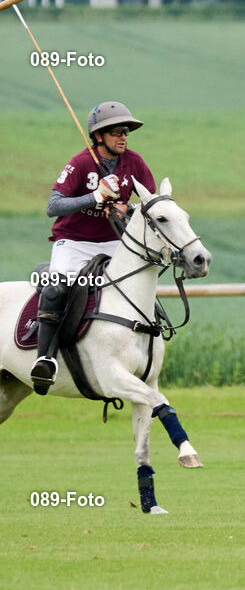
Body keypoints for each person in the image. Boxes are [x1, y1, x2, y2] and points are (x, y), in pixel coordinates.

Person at [31, 101, 156, 392]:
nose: (123, 137)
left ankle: (147, 344)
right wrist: (95, 197)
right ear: (98, 136)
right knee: (56, 289)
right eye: (116, 131)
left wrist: (128, 209)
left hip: (113, 241)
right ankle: (45, 360)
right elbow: (53, 206)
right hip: (74, 242)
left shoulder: (134, 163)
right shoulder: (80, 163)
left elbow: (150, 202)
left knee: (140, 282)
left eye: (126, 131)